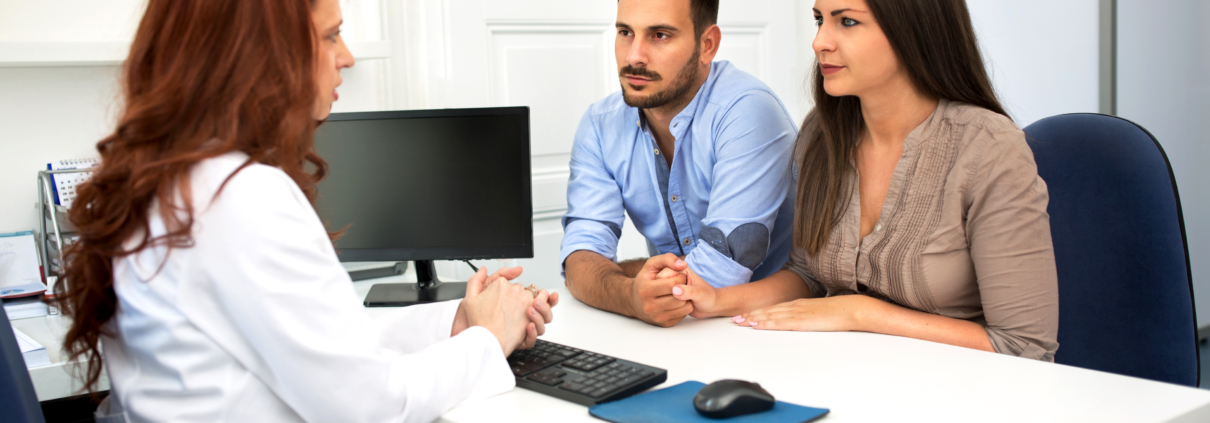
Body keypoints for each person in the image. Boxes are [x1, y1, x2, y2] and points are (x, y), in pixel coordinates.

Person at [55, 0, 557, 421]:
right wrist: (490, 339)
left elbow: (322, 340)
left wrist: (458, 320)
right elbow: (369, 405)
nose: (348, 58)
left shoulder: (174, 177)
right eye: (331, 36)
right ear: (261, 56)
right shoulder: (239, 197)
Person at [673, 0, 1060, 361]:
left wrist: (861, 312)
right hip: (848, 377)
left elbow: (1023, 347)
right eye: (819, 20)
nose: (820, 41)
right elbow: (807, 274)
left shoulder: (988, 147)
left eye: (848, 21)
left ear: (913, 28)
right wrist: (716, 300)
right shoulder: (821, 135)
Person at [561, 0, 799, 328]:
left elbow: (716, 276)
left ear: (707, 45)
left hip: (780, 324)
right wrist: (630, 295)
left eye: (659, 35)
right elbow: (578, 263)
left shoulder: (747, 111)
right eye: (625, 32)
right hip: (684, 329)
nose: (634, 57)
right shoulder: (600, 125)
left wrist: (616, 280)